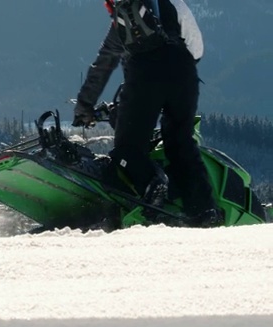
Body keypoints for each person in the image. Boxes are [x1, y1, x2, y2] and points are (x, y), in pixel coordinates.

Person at [72, 0, 221, 227]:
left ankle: (154, 186)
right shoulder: (173, 4)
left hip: (145, 77)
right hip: (185, 73)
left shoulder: (121, 22)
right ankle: (204, 211)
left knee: (127, 149)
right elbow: (197, 48)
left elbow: (103, 64)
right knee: (181, 144)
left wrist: (84, 106)